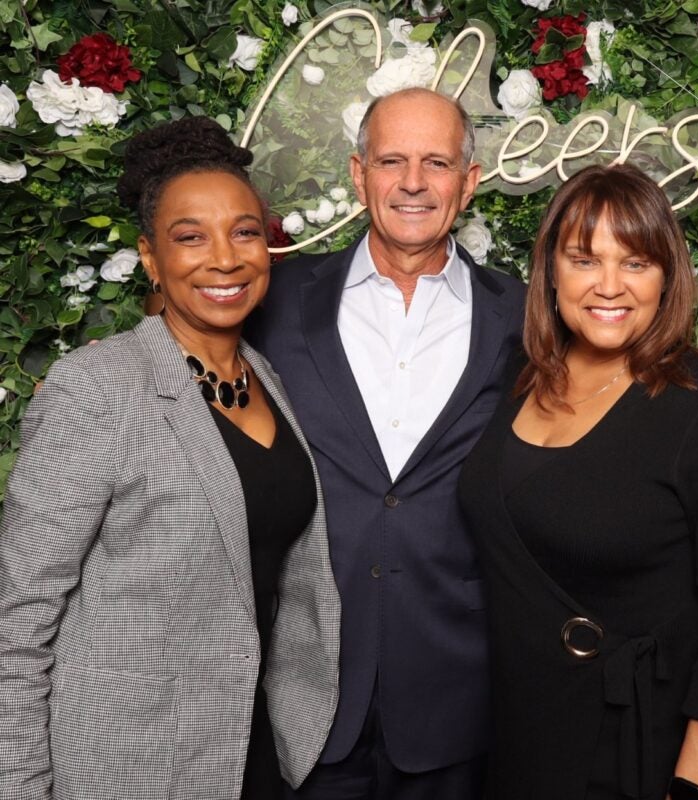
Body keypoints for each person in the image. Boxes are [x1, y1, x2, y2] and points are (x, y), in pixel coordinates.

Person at [0, 117, 339, 800]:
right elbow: (16, 620)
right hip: (128, 763)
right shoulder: (96, 388)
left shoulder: (265, 377)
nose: (225, 258)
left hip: (250, 752)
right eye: (191, 237)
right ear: (150, 258)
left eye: (245, 232)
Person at [458, 163, 698, 800]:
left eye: (635, 262)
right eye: (584, 259)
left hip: (628, 747)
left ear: (667, 277)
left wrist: (689, 790)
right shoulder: (519, 374)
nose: (609, 285)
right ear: (551, 271)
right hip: (513, 733)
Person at [246, 87, 526, 799]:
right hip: (306, 696)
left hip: (457, 697)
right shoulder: (274, 303)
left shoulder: (526, 318)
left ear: (470, 181)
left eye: (436, 163)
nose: (411, 183)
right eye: (391, 160)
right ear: (357, 173)